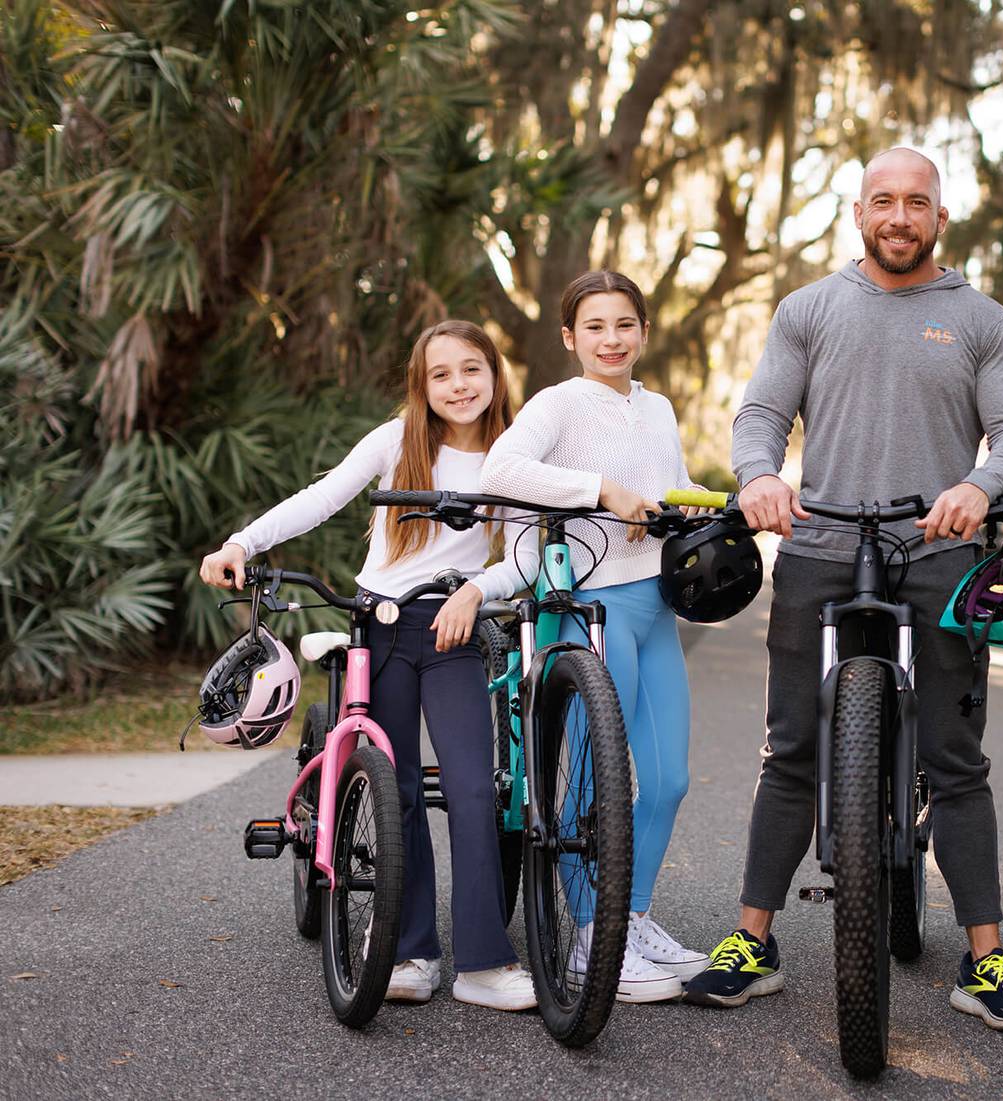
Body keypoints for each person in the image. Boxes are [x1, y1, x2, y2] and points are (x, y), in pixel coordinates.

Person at [682, 147, 1003, 1033]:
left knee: (956, 760)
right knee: (790, 747)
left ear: (938, 217)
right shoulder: (809, 308)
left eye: (915, 202)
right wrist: (757, 475)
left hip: (938, 548)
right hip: (818, 542)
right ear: (858, 212)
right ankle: (751, 940)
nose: (898, 216)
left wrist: (980, 486)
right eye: (882, 201)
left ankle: (986, 954)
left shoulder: (981, 320)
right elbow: (762, 414)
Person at [199, 320, 540, 1012]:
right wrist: (241, 540)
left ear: (494, 374)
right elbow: (323, 497)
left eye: (471, 369)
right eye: (441, 374)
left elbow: (528, 554)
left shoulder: (514, 455)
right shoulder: (397, 442)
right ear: (422, 385)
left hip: (454, 628)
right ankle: (412, 949)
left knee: (475, 790)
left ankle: (483, 961)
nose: (458, 385)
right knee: (400, 790)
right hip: (380, 626)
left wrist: (477, 589)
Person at [479, 270, 708, 1004]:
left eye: (625, 325)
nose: (612, 340)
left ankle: (629, 917)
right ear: (571, 338)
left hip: (655, 604)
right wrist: (600, 490)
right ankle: (588, 936)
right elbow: (501, 468)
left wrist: (719, 508)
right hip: (586, 607)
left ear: (644, 331)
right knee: (588, 785)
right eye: (596, 327)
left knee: (667, 776)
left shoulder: (660, 407)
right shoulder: (559, 403)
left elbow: (670, 488)